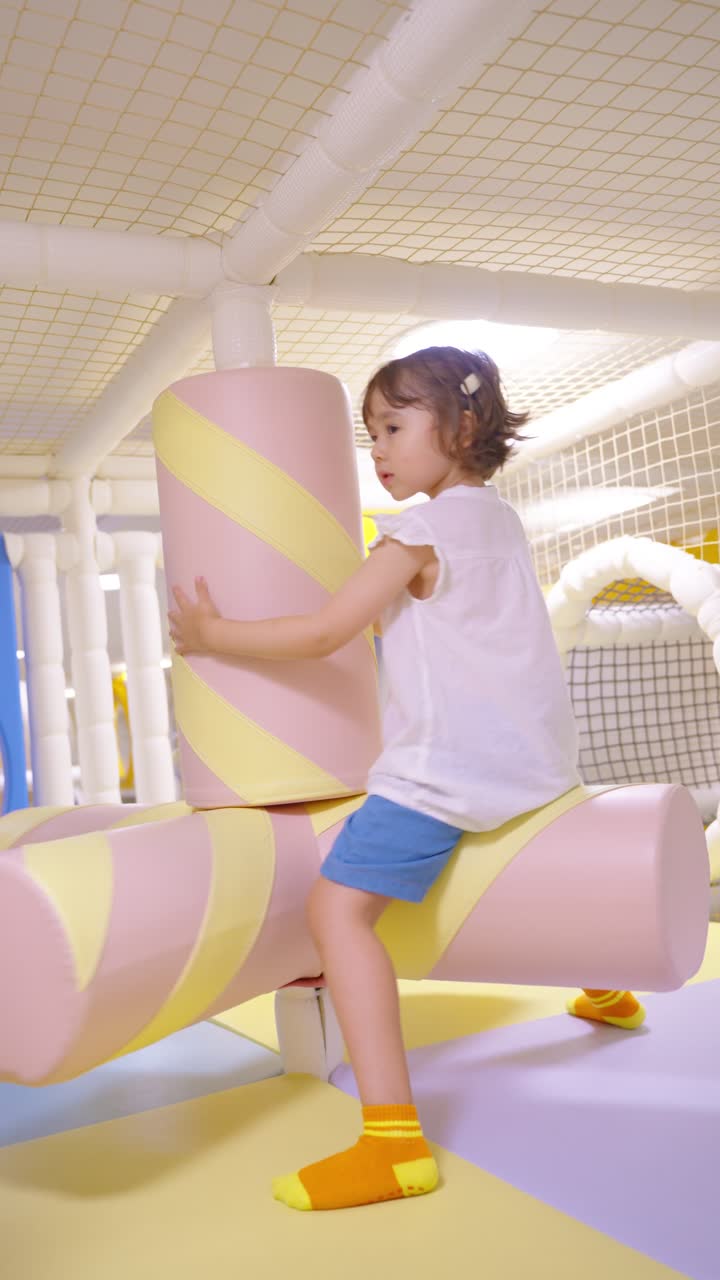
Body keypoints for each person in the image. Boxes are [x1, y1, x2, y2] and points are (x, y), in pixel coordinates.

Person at [168, 345, 646, 1213]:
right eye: (368, 435)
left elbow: (324, 633)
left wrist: (214, 636)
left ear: (460, 426)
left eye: (392, 427)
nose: (378, 451)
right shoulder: (496, 520)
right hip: (536, 768)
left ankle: (391, 1141)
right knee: (510, 880)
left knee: (334, 910)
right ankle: (605, 979)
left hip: (446, 772)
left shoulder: (420, 532)